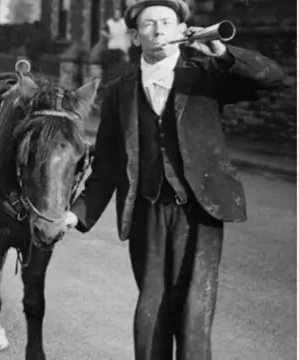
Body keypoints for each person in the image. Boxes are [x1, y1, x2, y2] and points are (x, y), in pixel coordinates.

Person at [64, 0, 284, 359]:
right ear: (135, 36)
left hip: (201, 211)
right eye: (149, 24)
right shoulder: (120, 92)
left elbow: (273, 77)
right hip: (146, 214)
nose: (160, 29)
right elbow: (106, 167)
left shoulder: (208, 74)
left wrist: (223, 52)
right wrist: (75, 214)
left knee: (195, 311)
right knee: (152, 307)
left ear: (183, 30)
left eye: (168, 22)